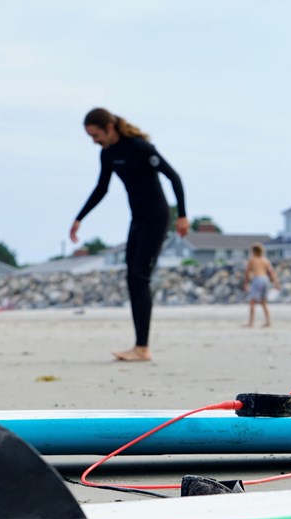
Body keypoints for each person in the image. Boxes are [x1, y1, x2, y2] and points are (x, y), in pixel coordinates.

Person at [70, 108, 188, 362]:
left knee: (140, 276)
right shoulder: (109, 153)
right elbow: (101, 188)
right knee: (132, 279)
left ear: (109, 128)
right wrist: (79, 218)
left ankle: (142, 348)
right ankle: (140, 346)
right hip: (137, 219)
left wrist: (182, 215)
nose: (94, 141)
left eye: (96, 135)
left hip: (157, 217)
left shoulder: (140, 147)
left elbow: (174, 177)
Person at [243, 243, 281, 327]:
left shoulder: (252, 259)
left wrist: (245, 283)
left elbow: (247, 272)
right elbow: (271, 272)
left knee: (252, 301)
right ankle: (268, 322)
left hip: (257, 279)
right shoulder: (265, 260)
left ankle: (251, 322)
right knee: (264, 302)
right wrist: (276, 283)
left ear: (254, 251)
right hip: (265, 279)